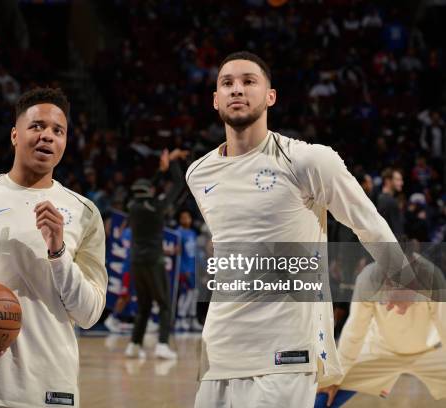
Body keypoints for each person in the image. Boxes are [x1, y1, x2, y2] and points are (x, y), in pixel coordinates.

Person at [186, 51, 408, 407]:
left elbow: (364, 219)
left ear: (270, 96)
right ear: (215, 100)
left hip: (285, 350)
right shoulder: (198, 173)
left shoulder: (307, 160)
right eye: (227, 83)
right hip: (220, 348)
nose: (237, 89)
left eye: (248, 81)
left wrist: (400, 274)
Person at [0, 87, 108, 408]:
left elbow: (89, 314)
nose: (47, 136)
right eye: (37, 126)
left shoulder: (85, 213)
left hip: (54, 387)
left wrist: (57, 253)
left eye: (58, 130)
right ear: (15, 135)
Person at [316, 254, 446, 407]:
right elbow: (354, 334)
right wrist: (335, 378)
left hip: (430, 351)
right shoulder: (368, 279)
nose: (393, 306)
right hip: (379, 349)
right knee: (326, 389)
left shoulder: (433, 278)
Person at [125, 148, 187, 360]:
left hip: (136, 261)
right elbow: (178, 185)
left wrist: (161, 171)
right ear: (149, 191)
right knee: (165, 305)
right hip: (154, 261)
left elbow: (146, 188)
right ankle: (162, 345)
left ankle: (134, 345)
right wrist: (173, 163)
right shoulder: (157, 206)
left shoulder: (132, 206)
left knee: (143, 306)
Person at [175, 209, 201, 331]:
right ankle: (181, 318)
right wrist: (183, 269)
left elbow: (195, 253)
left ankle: (191, 318)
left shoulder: (192, 233)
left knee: (194, 293)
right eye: (184, 217)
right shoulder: (178, 233)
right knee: (186, 293)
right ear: (180, 220)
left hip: (193, 269)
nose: (187, 220)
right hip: (184, 269)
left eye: (188, 217)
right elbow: (178, 254)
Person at [376, 168, 405, 239]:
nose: (401, 183)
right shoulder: (390, 202)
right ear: (388, 181)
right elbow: (396, 230)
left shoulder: (380, 198)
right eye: (398, 180)